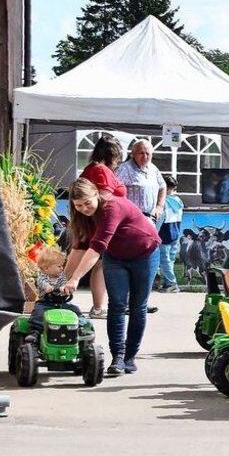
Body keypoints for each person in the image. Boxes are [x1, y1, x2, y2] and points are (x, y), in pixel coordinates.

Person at [61, 177, 161, 376]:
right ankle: (117, 358)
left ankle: (130, 357)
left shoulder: (111, 207)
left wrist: (76, 279)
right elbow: (80, 246)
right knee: (116, 304)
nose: (84, 208)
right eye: (78, 205)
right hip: (115, 258)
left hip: (145, 253)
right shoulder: (81, 216)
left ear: (96, 195)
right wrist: (63, 279)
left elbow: (97, 247)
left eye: (87, 203)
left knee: (137, 306)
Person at [78, 135, 127, 319]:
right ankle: (98, 307)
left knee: (93, 263)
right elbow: (105, 199)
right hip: (103, 225)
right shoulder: (102, 170)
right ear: (113, 153)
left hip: (91, 224)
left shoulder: (90, 169)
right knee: (100, 265)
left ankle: (98, 305)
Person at [116, 139, 166, 221]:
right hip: (131, 218)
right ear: (133, 154)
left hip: (151, 218)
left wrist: (159, 207)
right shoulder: (124, 168)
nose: (145, 157)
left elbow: (163, 186)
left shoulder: (153, 169)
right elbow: (114, 190)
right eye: (141, 153)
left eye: (148, 153)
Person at [30, 245, 79, 329]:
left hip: (62, 302)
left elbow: (64, 283)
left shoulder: (61, 276)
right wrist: (48, 287)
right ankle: (35, 331)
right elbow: (41, 283)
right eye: (59, 266)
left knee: (75, 309)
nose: (62, 268)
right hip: (45, 303)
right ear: (46, 268)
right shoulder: (42, 277)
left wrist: (66, 288)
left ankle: (80, 326)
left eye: (62, 266)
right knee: (38, 312)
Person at [155, 176, 184, 293]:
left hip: (164, 234)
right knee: (170, 260)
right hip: (175, 232)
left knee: (164, 260)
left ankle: (172, 283)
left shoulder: (164, 202)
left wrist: (153, 233)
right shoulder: (178, 201)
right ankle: (168, 283)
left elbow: (159, 219)